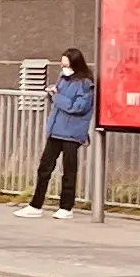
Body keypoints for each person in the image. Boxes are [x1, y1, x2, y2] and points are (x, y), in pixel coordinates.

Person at [26, 48, 94, 217]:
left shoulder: (85, 84)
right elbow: (60, 101)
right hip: (56, 130)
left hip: (72, 132)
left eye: (67, 64)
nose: (64, 68)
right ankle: (35, 205)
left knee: (69, 171)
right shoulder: (63, 79)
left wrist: (57, 96)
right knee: (44, 168)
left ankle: (66, 207)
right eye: (62, 64)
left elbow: (78, 107)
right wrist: (53, 94)